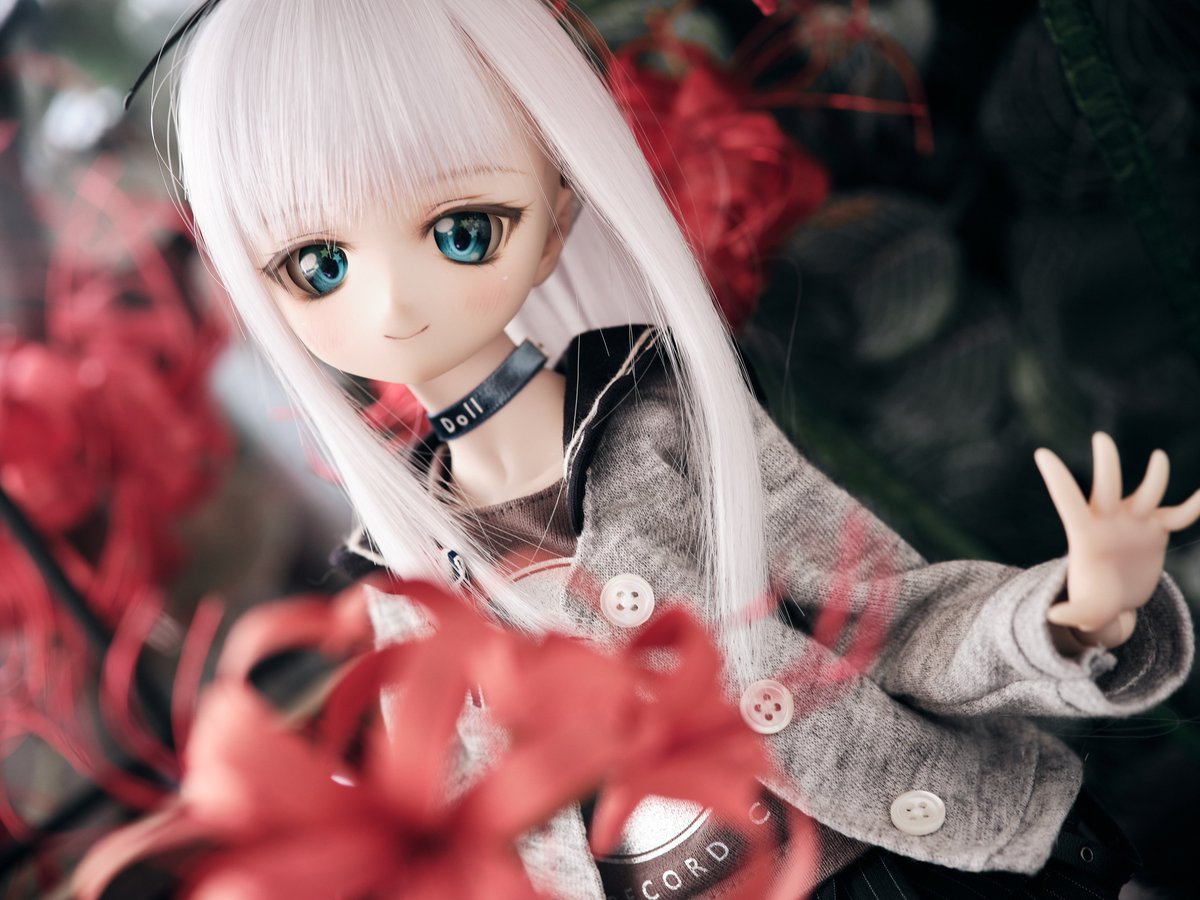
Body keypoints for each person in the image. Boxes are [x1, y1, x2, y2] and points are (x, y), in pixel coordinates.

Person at [152, 0, 1197, 896]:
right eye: (319, 265)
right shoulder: (406, 584)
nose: (392, 303)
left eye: (463, 230)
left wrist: (1071, 616)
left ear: (557, 213)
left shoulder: (665, 427)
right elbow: (479, 833)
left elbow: (888, 617)